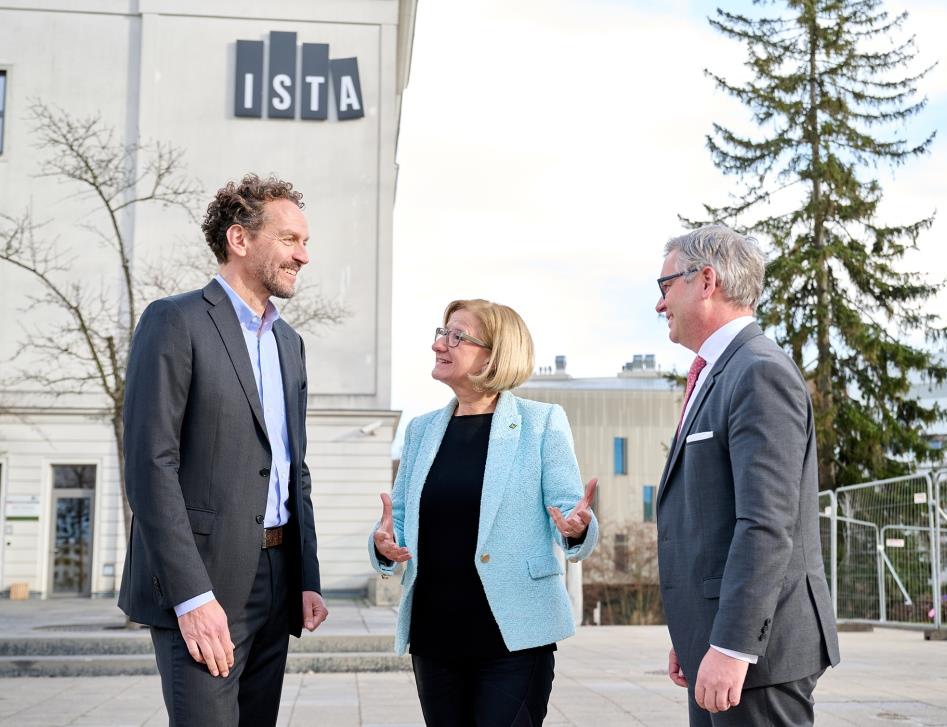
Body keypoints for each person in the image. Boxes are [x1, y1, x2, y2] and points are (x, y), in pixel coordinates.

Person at [118, 174, 328, 726]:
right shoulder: (175, 321)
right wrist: (191, 597)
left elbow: (292, 467)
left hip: (278, 578)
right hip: (204, 582)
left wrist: (307, 576)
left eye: (305, 242)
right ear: (240, 239)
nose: (303, 256)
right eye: (290, 240)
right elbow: (149, 466)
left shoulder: (290, 343)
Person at [369, 298, 598, 726]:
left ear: (494, 355)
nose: (441, 344)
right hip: (434, 633)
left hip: (513, 635)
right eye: (442, 332)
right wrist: (385, 543)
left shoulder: (541, 423)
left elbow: (569, 510)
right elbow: (397, 519)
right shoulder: (421, 430)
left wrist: (576, 528)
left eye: (458, 336)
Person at [654, 225, 840, 726]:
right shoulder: (721, 371)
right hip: (718, 644)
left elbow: (765, 524)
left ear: (705, 280)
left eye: (665, 285)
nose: (659, 304)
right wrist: (695, 636)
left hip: (759, 655)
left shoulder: (758, 372)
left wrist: (732, 646)